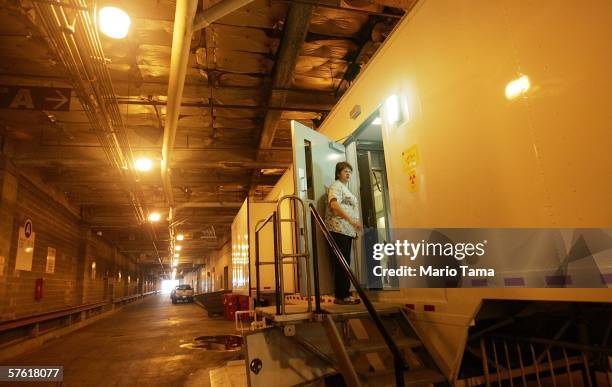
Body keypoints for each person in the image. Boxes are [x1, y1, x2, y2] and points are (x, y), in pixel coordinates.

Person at [325, 161, 362, 305]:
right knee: (342, 262)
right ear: (338, 173)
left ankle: (345, 294)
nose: (348, 174)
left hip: (346, 231)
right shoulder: (335, 186)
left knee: (346, 262)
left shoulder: (346, 189)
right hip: (338, 229)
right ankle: (341, 295)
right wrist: (352, 221)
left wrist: (353, 230)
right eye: (345, 171)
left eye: (349, 171)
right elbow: (334, 205)